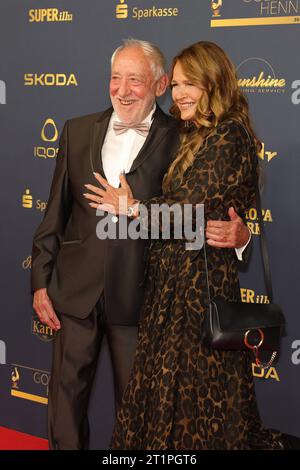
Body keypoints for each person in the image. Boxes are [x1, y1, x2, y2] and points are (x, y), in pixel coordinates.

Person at [31, 39, 250, 450]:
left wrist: (243, 235)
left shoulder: (187, 136)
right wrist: (40, 280)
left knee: (138, 417)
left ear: (160, 84)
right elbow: (54, 215)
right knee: (64, 407)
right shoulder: (76, 130)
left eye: (135, 79)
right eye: (116, 78)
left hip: (144, 299)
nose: (123, 89)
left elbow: (215, 205)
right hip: (74, 291)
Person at [84, 41, 284, 450]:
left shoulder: (230, 136)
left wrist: (133, 207)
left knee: (200, 410)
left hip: (199, 294)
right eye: (175, 85)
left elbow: (190, 212)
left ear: (215, 82)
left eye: (190, 83)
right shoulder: (193, 133)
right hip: (169, 293)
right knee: (164, 406)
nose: (179, 94)